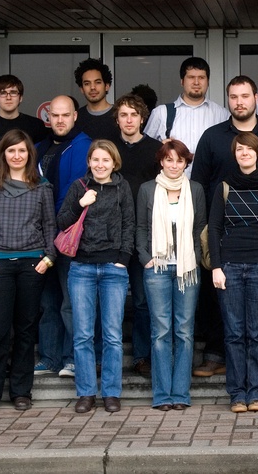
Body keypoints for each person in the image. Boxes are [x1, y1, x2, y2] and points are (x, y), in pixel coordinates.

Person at [190, 75, 258, 378]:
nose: (239, 102)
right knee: (218, 295)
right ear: (228, 100)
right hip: (222, 232)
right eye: (233, 97)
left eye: (245, 96)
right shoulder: (212, 137)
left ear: (256, 98)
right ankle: (215, 353)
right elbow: (198, 184)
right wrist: (201, 229)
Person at [0, 130, 57, 412]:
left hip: (32, 265)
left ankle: (21, 391)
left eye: (22, 151)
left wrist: (48, 258)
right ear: (3, 154)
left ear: (29, 154)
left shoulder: (42, 186)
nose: (17, 156)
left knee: (25, 330)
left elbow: (50, 227)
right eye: (11, 151)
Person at [208, 132, 258, 414]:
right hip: (229, 266)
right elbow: (214, 228)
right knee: (233, 333)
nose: (244, 153)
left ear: (257, 153)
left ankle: (256, 393)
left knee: (257, 333)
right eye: (239, 149)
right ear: (235, 153)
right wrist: (216, 266)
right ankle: (237, 394)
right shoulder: (224, 186)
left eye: (248, 149)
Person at [58, 139, 135, 414]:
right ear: (89, 162)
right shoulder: (79, 186)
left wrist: (123, 259)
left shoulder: (122, 187)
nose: (100, 165)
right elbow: (62, 222)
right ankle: (87, 393)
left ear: (114, 163)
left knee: (113, 336)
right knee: (83, 335)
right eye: (95, 160)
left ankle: (111, 393)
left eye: (106, 160)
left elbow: (129, 223)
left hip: (113, 269)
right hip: (81, 268)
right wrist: (81, 203)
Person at [135, 139, 206, 411]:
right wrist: (145, 258)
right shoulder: (147, 190)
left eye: (179, 160)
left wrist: (195, 261)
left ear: (186, 162)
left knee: (185, 332)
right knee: (161, 331)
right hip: (158, 268)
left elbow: (200, 229)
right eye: (169, 160)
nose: (174, 165)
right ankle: (162, 394)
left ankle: (180, 393)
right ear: (161, 161)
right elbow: (140, 227)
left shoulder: (195, 189)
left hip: (187, 269)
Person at [33, 95, 92, 377]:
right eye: (54, 115)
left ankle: (71, 357)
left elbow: (73, 192)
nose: (59, 120)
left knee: (70, 302)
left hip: (68, 236)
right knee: (47, 301)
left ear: (75, 116)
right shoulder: (38, 148)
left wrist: (54, 224)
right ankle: (49, 356)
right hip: (40, 238)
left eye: (65, 115)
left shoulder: (84, 147)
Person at [113, 94, 162, 380]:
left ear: (142, 118)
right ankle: (109, 355)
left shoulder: (156, 150)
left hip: (146, 234)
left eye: (133, 114)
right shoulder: (108, 149)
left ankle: (143, 356)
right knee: (110, 300)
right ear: (117, 118)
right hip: (114, 234)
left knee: (144, 300)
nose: (129, 119)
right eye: (123, 114)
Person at [143, 57, 230, 172]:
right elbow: (143, 151)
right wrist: (159, 147)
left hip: (208, 186)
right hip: (170, 186)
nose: (196, 82)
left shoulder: (222, 114)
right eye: (191, 77)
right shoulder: (161, 113)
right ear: (182, 81)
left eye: (201, 78)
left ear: (208, 81)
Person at [72, 57, 121, 144]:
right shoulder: (75, 119)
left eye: (98, 82)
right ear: (81, 89)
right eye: (87, 83)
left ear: (107, 86)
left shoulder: (120, 116)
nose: (92, 87)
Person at [0, 74, 48, 144]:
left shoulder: (36, 125)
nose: (8, 98)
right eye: (3, 93)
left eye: (13, 92)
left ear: (20, 98)